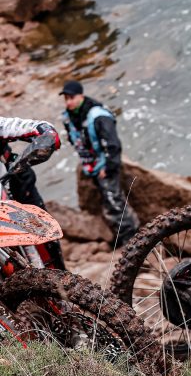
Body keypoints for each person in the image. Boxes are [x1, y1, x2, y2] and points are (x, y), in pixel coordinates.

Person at [59, 80, 140, 247]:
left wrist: (108, 168)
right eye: (66, 98)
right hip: (91, 164)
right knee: (107, 199)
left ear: (81, 95)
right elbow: (74, 139)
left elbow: (113, 144)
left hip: (105, 164)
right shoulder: (68, 116)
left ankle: (130, 239)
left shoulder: (98, 116)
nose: (68, 102)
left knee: (114, 201)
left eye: (71, 97)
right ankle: (120, 235)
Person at [0, 116, 65, 268]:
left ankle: (61, 279)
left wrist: (46, 134)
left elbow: (36, 127)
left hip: (11, 187)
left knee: (45, 235)